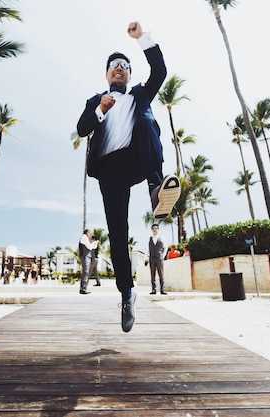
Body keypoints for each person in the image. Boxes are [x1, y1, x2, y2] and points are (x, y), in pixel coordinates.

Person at [77, 21, 180, 332]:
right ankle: (127, 293)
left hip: (137, 158)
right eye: (114, 66)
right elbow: (82, 129)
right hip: (110, 169)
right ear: (107, 74)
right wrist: (100, 112)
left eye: (124, 66)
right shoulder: (96, 100)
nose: (119, 69)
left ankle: (154, 188)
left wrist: (142, 39)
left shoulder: (139, 95)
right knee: (118, 234)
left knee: (148, 125)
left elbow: (160, 71)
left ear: (129, 74)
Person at [145, 224, 168, 295]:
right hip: (152, 258)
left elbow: (166, 247)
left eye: (156, 228)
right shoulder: (149, 239)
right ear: (151, 230)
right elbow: (147, 250)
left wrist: (163, 256)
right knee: (152, 274)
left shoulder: (162, 238)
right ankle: (153, 290)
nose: (154, 230)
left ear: (158, 229)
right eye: (153, 228)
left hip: (159, 258)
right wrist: (146, 258)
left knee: (161, 274)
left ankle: (162, 290)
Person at [78, 229, 98, 294]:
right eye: (90, 233)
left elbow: (92, 247)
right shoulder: (84, 238)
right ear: (87, 232)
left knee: (86, 271)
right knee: (86, 271)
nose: (91, 234)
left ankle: (83, 288)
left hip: (86, 256)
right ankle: (83, 288)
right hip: (84, 256)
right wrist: (93, 243)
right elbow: (89, 247)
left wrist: (94, 243)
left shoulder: (85, 238)